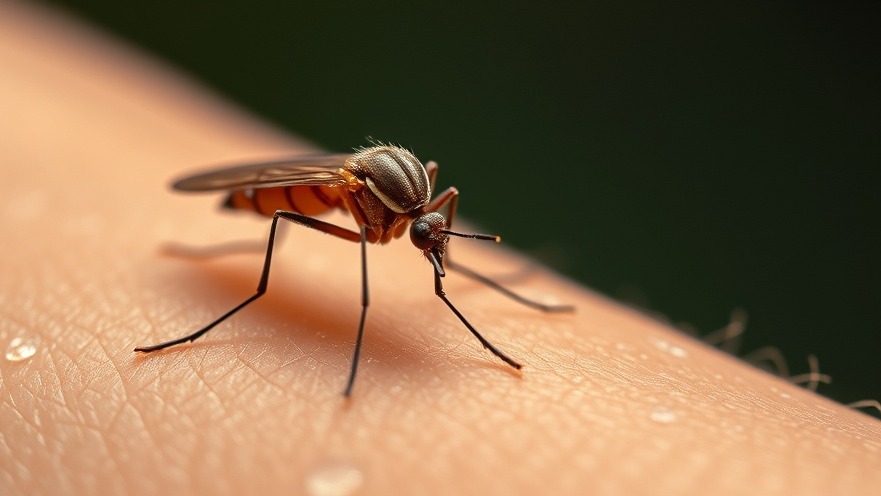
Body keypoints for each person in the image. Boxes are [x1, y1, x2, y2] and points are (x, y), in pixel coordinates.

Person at [1, 3, 878, 495]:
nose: (433, 237)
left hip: (372, 187)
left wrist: (450, 260)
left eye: (432, 230)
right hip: (286, 187)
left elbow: (431, 202)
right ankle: (226, 312)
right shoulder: (363, 193)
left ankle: (504, 299)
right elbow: (315, 206)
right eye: (428, 235)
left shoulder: (423, 199)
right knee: (278, 220)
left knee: (427, 221)